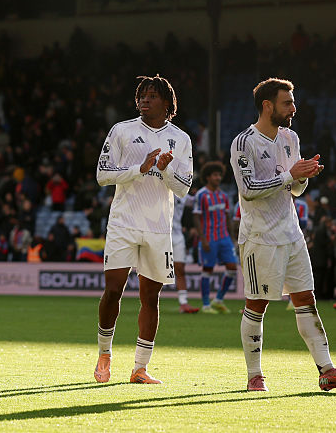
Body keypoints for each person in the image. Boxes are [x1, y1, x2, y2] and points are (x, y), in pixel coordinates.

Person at [231, 77, 336, 392]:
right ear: (268, 105)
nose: (293, 108)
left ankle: (327, 370)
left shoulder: (290, 138)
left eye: (292, 101)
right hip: (259, 237)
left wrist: (304, 176)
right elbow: (248, 191)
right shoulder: (244, 141)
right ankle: (254, 375)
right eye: (287, 102)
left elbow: (295, 190)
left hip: (291, 232)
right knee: (257, 304)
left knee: (306, 299)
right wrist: (291, 174)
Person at [94, 75, 193, 385]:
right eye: (141, 95)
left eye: (152, 96)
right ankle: (104, 353)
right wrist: (140, 168)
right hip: (123, 222)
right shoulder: (122, 130)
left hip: (158, 228)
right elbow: (102, 175)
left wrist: (164, 170)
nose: (144, 100)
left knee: (151, 297)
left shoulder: (181, 138)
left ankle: (140, 367)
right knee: (113, 290)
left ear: (167, 103)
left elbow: (184, 188)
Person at [193, 161, 239, 313]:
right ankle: (206, 305)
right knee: (208, 269)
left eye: (219, 175)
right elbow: (196, 218)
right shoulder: (201, 195)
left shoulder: (223, 196)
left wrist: (232, 239)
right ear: (207, 177)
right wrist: (203, 239)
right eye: (215, 175)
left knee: (232, 268)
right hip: (209, 237)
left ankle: (218, 300)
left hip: (224, 237)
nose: (218, 178)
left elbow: (227, 217)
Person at [170, 190, 199, 314]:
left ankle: (184, 302)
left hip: (177, 236)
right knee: (154, 270)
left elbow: (195, 201)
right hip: (159, 235)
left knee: (180, 269)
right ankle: (150, 302)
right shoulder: (158, 188)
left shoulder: (182, 193)